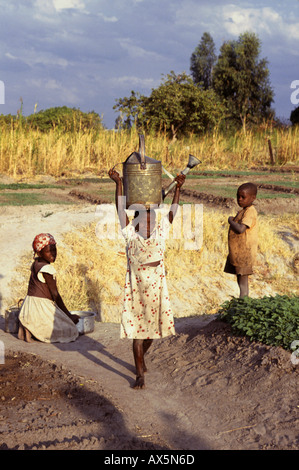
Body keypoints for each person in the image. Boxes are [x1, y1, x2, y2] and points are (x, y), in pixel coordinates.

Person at [109, 167, 186, 389]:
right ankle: (139, 373)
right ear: (135, 223)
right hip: (136, 290)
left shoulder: (161, 234)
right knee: (137, 334)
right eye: (144, 221)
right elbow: (120, 209)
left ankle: (141, 358)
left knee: (152, 334)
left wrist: (178, 190)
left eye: (152, 220)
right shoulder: (130, 235)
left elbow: (173, 212)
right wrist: (119, 184)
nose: (149, 224)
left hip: (156, 290)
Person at [18, 233, 80, 343]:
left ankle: (29, 325)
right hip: (41, 306)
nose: (53, 254)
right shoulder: (47, 269)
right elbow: (55, 295)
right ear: (39, 252)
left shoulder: (36, 263)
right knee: (71, 331)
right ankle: (32, 329)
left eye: (54, 250)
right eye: (48, 251)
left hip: (29, 306)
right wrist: (68, 315)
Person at [224, 182, 258, 298]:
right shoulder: (244, 210)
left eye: (243, 197)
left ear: (253, 198)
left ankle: (243, 303)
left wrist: (230, 221)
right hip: (238, 253)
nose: (239, 199)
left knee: (243, 282)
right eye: (238, 196)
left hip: (244, 253)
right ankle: (242, 302)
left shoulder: (250, 211)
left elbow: (240, 229)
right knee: (240, 278)